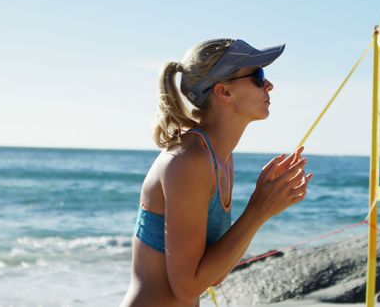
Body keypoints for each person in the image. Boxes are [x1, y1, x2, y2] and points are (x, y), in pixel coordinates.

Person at [121, 39, 313, 307]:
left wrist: (265, 204)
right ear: (224, 92)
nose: (269, 85)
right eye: (258, 77)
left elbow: (214, 276)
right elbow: (187, 288)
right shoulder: (189, 161)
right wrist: (259, 210)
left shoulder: (220, 157)